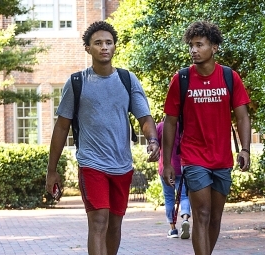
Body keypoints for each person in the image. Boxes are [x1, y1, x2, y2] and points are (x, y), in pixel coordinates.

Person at [45, 21, 160, 255]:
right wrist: (51, 169)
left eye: (108, 42)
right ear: (88, 48)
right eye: (98, 43)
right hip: (91, 164)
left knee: (115, 225)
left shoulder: (128, 80)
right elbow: (61, 128)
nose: (104, 47)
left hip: (122, 165)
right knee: (99, 221)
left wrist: (153, 140)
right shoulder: (77, 83)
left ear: (115, 46)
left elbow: (145, 118)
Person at [162, 21, 251, 255]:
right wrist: (169, 162)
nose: (193, 50)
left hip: (222, 158)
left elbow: (242, 116)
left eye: (199, 45)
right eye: (191, 45)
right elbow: (170, 121)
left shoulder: (230, 77)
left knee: (214, 217)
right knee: (201, 213)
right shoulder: (181, 79)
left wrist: (245, 149)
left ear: (214, 47)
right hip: (194, 158)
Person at [156, 119, 191, 239]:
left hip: (165, 167)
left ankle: (173, 229)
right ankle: (185, 219)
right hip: (181, 166)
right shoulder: (182, 125)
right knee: (184, 196)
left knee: (169, 198)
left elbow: (155, 144)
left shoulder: (160, 127)